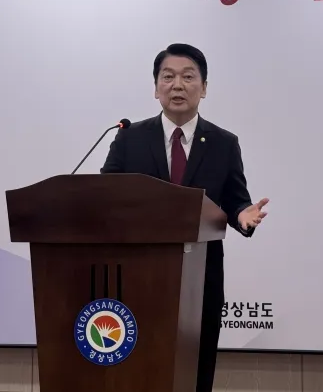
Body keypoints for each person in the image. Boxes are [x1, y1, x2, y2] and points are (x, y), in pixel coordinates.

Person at [101, 43, 269, 392]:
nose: (177, 85)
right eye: (168, 77)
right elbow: (105, 196)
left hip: (200, 279)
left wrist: (243, 214)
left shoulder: (224, 143)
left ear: (203, 88)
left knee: (195, 370)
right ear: (156, 87)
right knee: (136, 371)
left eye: (188, 77)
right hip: (137, 277)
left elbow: (235, 200)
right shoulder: (129, 138)